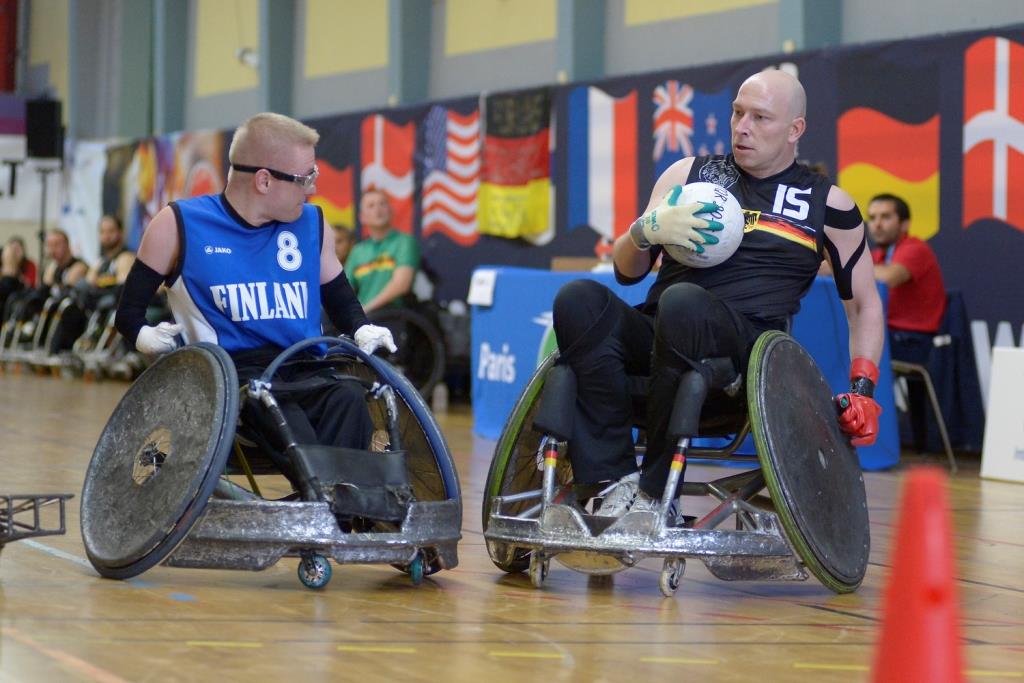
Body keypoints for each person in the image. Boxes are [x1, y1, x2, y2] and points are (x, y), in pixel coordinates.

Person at [552, 69, 885, 518]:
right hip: (662, 333)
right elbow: (626, 272)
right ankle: (612, 481)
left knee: (684, 303)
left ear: (795, 129)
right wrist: (643, 232)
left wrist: (863, 388)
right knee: (578, 299)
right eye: (737, 112)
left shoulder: (828, 204)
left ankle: (655, 495)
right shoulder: (687, 174)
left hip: (742, 355)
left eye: (761, 117)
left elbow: (863, 304)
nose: (742, 126)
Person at [114, 112, 397, 453]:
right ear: (264, 181)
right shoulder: (177, 225)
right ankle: (327, 494)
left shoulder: (313, 224)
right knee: (282, 415)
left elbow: (339, 296)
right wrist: (145, 336)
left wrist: (362, 327)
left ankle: (351, 499)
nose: (313, 188)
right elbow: (128, 313)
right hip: (233, 380)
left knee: (350, 398)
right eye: (305, 177)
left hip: (305, 367)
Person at [867, 192, 947, 452]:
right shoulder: (878, 255)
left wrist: (841, 268)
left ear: (904, 224)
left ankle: (867, 440)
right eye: (872, 218)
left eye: (885, 217)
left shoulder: (915, 249)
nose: (877, 224)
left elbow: (887, 278)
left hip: (913, 342)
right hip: (890, 335)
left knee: (850, 350)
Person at [346, 189, 420, 313]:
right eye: (371, 206)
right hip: (363, 320)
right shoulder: (358, 251)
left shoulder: (404, 241)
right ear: (362, 217)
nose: (378, 209)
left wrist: (366, 310)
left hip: (394, 315)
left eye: (382, 204)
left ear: (391, 211)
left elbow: (401, 284)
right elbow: (345, 289)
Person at [85, 214, 136, 291]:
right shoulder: (100, 262)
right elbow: (87, 285)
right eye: (102, 232)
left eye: (111, 231)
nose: (106, 236)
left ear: (121, 232)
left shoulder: (126, 258)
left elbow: (122, 291)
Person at [0, 237, 37, 315]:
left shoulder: (29, 264)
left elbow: (30, 285)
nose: (14, 253)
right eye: (12, 250)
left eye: (17, 249)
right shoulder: (4, 266)